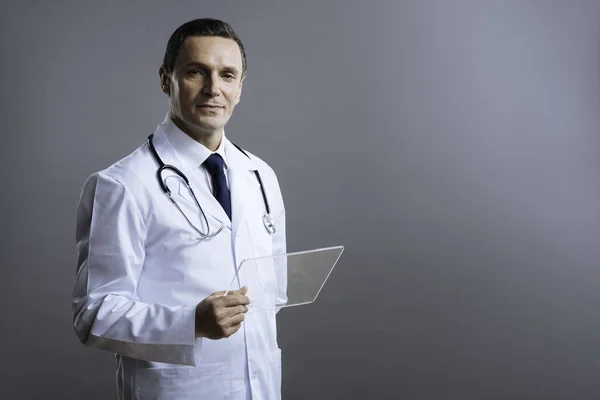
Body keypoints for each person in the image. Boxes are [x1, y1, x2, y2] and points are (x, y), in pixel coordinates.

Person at [72, 18, 287, 400]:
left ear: (240, 87)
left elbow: (273, 293)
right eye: (195, 72)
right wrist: (191, 323)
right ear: (164, 79)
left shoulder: (260, 176)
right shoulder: (123, 185)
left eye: (227, 75)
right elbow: (94, 315)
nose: (213, 89)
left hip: (261, 388)